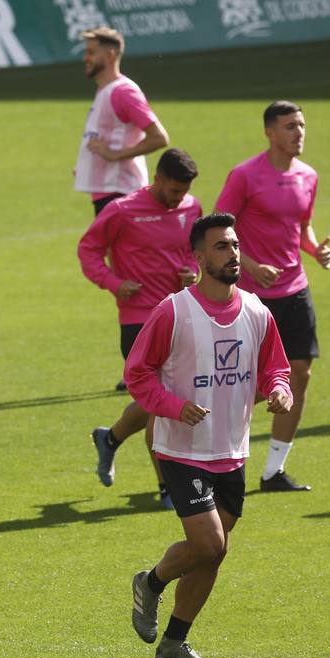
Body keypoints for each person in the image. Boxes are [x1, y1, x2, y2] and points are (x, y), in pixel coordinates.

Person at [125, 213, 292, 658]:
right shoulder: (173, 311)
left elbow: (276, 366)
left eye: (235, 245)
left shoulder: (258, 312)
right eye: (221, 246)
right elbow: (137, 373)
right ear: (198, 257)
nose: (233, 254)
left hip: (233, 451)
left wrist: (279, 390)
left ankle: (174, 641)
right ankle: (152, 582)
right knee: (209, 545)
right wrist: (174, 407)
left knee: (213, 553)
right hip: (181, 449)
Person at [215, 101, 330, 492]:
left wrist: (315, 250)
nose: (298, 132)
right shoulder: (245, 176)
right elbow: (219, 232)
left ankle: (273, 471)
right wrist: (249, 266)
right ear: (270, 133)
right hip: (251, 295)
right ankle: (218, 457)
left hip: (295, 289)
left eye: (301, 125)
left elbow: (302, 228)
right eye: (289, 126)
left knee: (300, 371)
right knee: (242, 380)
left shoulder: (308, 176)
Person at [82, 149, 202, 506]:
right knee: (163, 402)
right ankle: (168, 488)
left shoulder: (191, 209)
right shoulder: (121, 211)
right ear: (158, 178)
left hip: (181, 313)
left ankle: (110, 438)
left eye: (184, 191)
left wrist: (192, 273)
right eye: (174, 190)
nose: (178, 197)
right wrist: (113, 283)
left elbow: (193, 252)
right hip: (138, 319)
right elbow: (88, 250)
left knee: (157, 401)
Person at [74, 26, 169, 216]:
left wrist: (115, 155)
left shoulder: (123, 92)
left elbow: (159, 138)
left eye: (91, 52)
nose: (85, 58)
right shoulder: (106, 91)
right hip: (109, 193)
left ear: (110, 56)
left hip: (120, 194)